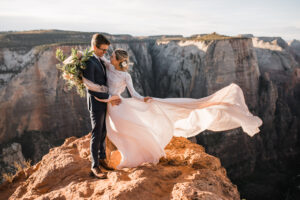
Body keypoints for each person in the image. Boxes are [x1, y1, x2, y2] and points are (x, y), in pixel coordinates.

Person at [83, 48, 263, 170]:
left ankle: (134, 157)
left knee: (125, 132)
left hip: (119, 105)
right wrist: (78, 61)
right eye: (110, 55)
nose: (110, 56)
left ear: (118, 60)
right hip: (109, 105)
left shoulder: (125, 75)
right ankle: (124, 156)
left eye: (113, 55)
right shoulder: (107, 65)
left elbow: (134, 94)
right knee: (115, 133)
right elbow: (96, 57)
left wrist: (143, 99)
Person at [82, 34, 121, 179]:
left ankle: (102, 158)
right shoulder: (89, 62)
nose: (105, 53)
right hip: (96, 102)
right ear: (94, 47)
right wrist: (110, 98)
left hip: (104, 102)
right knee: (96, 133)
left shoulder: (99, 60)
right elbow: (91, 88)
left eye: (106, 50)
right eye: (102, 50)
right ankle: (95, 166)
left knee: (103, 131)